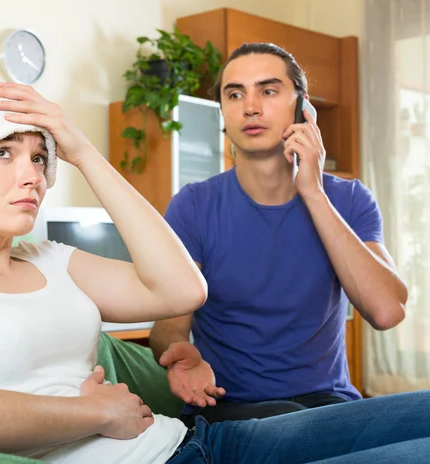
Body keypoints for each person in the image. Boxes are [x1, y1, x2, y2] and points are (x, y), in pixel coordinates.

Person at [0, 81, 429, 464]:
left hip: (200, 442)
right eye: (3, 155)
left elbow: (182, 289)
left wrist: (84, 152)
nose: (32, 176)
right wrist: (92, 413)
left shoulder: (51, 258)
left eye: (39, 158)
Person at [149, 42, 409, 427]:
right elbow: (168, 325)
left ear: (303, 107)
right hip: (230, 411)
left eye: (268, 91)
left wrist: (314, 192)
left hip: (329, 405)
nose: (250, 107)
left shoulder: (349, 199)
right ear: (223, 111)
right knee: (289, 419)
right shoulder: (193, 206)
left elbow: (387, 311)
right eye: (234, 94)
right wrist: (179, 351)